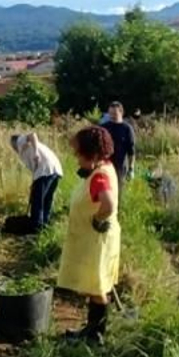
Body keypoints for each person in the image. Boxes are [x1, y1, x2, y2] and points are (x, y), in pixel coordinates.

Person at [57, 126, 121, 343]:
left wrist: (97, 219)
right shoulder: (105, 167)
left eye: (79, 154)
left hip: (97, 240)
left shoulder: (100, 176)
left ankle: (95, 335)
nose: (76, 159)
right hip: (100, 239)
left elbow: (108, 205)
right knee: (97, 284)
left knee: (96, 286)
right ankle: (92, 330)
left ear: (91, 154)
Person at [9, 132, 63, 233]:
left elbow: (32, 135)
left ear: (14, 143)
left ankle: (36, 227)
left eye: (12, 145)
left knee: (37, 201)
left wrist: (36, 152)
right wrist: (34, 183)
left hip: (46, 169)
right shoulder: (24, 151)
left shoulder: (19, 142)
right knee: (46, 199)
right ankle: (44, 226)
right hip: (54, 169)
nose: (13, 148)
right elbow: (35, 168)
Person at [98, 101, 137, 185]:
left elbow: (131, 151)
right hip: (105, 167)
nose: (112, 116)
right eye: (110, 114)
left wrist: (131, 169)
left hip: (120, 167)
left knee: (118, 190)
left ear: (121, 113)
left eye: (114, 114)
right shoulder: (103, 128)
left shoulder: (127, 129)